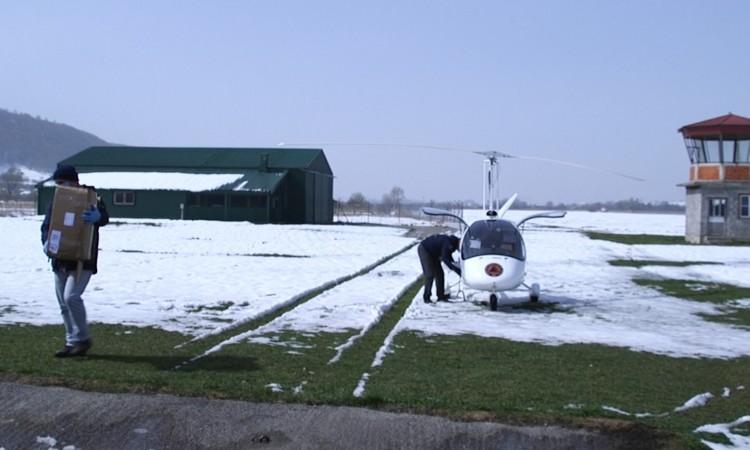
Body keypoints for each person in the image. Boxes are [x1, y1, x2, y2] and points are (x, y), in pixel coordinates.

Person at [41, 165, 109, 357]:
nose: (60, 186)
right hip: (60, 260)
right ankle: (72, 343)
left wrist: (97, 217)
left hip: (82, 260)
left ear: (74, 181)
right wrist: (46, 243)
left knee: (72, 297)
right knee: (63, 303)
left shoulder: (91, 197)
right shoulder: (56, 202)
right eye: (57, 183)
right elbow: (47, 226)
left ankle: (83, 338)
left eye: (63, 182)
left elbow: (104, 217)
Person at [418, 234, 461, 303]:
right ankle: (426, 297)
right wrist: (457, 270)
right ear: (459, 243)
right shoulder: (448, 243)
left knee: (440, 274)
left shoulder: (452, 244)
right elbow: (445, 259)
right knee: (429, 274)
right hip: (425, 249)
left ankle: (441, 296)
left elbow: (448, 257)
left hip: (434, 254)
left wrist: (456, 267)